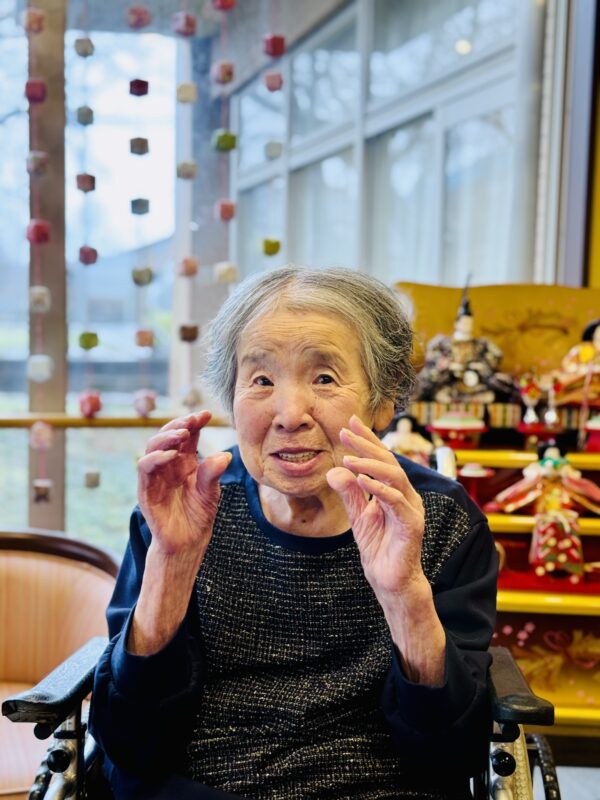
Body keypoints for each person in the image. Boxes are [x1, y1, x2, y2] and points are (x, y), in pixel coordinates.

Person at [90, 266, 498, 800]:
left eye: (324, 378)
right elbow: (129, 743)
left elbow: (450, 754)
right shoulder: (181, 509)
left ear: (383, 399)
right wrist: (173, 563)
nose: (288, 414)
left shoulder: (439, 519)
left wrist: (405, 596)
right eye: (261, 380)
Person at [416, 289, 515, 404]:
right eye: (464, 322)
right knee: (438, 392)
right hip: (449, 384)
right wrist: (448, 365)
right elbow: (433, 362)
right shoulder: (442, 343)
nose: (467, 326)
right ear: (457, 323)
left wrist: (478, 366)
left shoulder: (482, 344)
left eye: (469, 323)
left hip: (474, 384)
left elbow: (494, 361)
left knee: (493, 391)